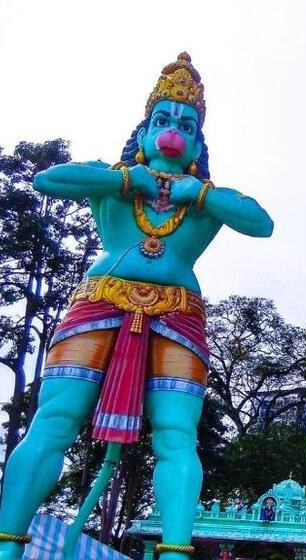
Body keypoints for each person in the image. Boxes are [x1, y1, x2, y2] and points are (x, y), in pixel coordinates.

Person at [0, 53, 273, 560]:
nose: (173, 131)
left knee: (176, 434)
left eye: (186, 125)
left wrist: (201, 192)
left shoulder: (205, 200)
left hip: (178, 313)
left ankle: (173, 552)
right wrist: (128, 181)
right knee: (55, 420)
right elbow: (48, 180)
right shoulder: (113, 182)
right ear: (143, 131)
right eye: (162, 121)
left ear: (197, 144)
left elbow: (261, 223)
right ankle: (7, 547)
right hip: (99, 300)